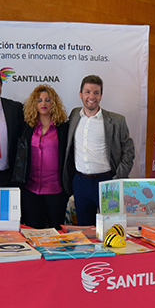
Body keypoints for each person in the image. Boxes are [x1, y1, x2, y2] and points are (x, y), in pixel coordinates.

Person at [62, 75, 135, 226]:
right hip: (81, 183)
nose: (92, 97)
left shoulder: (116, 121)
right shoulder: (74, 115)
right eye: (87, 92)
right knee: (85, 229)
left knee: (111, 228)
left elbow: (129, 152)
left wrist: (117, 179)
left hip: (107, 183)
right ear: (80, 94)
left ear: (101, 96)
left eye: (96, 93)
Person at [16, 85, 69, 229]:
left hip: (55, 190)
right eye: (39, 100)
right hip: (31, 190)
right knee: (33, 231)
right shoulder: (27, 127)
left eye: (47, 100)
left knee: (56, 232)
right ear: (34, 104)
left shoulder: (63, 128)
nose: (43, 103)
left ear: (54, 103)